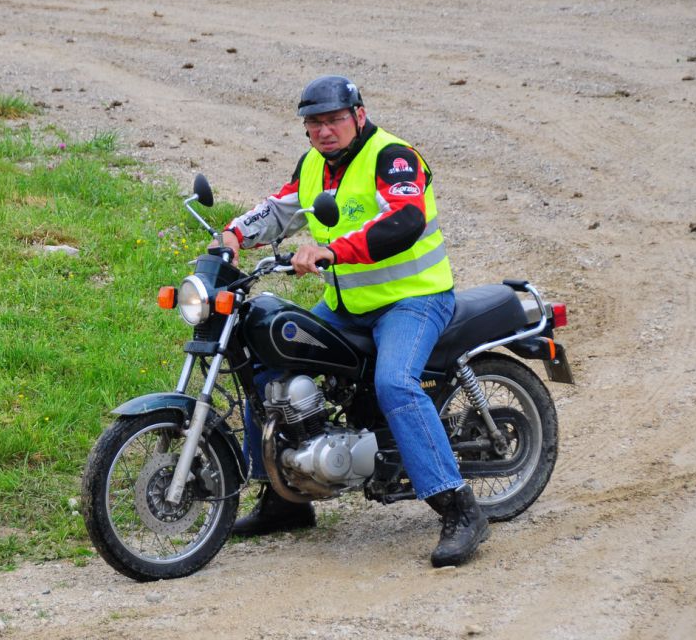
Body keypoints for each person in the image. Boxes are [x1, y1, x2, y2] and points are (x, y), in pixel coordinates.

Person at [210, 75, 489, 568]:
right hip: (346, 306)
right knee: (264, 365)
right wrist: (233, 236)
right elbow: (281, 209)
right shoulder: (314, 165)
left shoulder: (393, 157)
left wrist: (333, 250)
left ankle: (458, 507)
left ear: (358, 115)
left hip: (413, 301)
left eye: (333, 119)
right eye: (313, 123)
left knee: (395, 384)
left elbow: (404, 221)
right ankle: (284, 500)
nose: (323, 131)